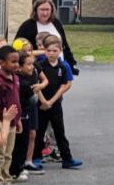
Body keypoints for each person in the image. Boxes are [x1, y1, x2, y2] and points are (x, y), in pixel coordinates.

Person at [35, 34, 81, 170]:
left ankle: (67, 159)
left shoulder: (63, 66)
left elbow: (66, 84)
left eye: (54, 51)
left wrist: (51, 101)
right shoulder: (39, 66)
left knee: (59, 132)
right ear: (44, 51)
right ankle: (36, 158)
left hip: (55, 104)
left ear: (60, 50)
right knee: (39, 131)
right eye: (48, 50)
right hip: (41, 105)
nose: (51, 53)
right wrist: (44, 101)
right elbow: (36, 84)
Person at [0, 46, 24, 185]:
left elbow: (16, 100)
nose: (16, 65)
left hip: (12, 121)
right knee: (0, 154)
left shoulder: (16, 78)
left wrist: (18, 120)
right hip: (1, 123)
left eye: (18, 61)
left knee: (9, 154)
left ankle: (6, 180)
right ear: (1, 62)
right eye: (13, 62)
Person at [14, 0, 78, 70]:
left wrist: (71, 64)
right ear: (35, 10)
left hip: (60, 67)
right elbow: (18, 49)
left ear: (52, 10)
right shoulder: (28, 26)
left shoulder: (56, 23)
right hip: (39, 69)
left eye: (47, 9)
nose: (45, 13)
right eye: (42, 10)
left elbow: (65, 45)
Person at [18, 50, 47, 172]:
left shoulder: (34, 72)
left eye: (32, 64)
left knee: (32, 134)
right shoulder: (19, 78)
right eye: (28, 64)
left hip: (33, 107)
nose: (32, 67)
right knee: (22, 136)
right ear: (20, 66)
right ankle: (19, 162)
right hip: (23, 108)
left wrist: (44, 101)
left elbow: (40, 85)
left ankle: (28, 161)